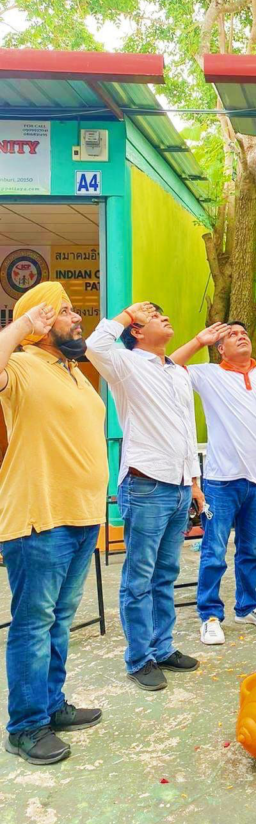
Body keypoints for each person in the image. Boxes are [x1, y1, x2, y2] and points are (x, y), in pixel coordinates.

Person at [0, 283, 108, 765]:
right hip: (39, 516)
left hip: (82, 515)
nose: (76, 317)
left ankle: (50, 705)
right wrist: (22, 326)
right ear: (40, 323)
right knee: (34, 623)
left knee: (59, 620)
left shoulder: (73, 371)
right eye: (63, 311)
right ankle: (25, 726)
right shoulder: (21, 365)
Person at [86, 302, 202, 692]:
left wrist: (196, 481)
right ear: (135, 331)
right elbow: (94, 345)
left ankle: (162, 646)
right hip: (146, 483)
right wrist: (126, 312)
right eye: (153, 315)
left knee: (166, 574)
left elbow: (187, 430)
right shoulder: (124, 364)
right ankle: (139, 658)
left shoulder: (176, 373)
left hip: (180, 484)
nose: (165, 316)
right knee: (139, 576)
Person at [169, 321, 256, 644]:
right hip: (220, 481)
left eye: (243, 333)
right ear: (220, 348)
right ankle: (210, 615)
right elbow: (169, 365)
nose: (241, 336)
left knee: (252, 549)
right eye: (231, 336)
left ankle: (248, 606)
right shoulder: (208, 374)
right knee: (214, 551)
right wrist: (200, 339)